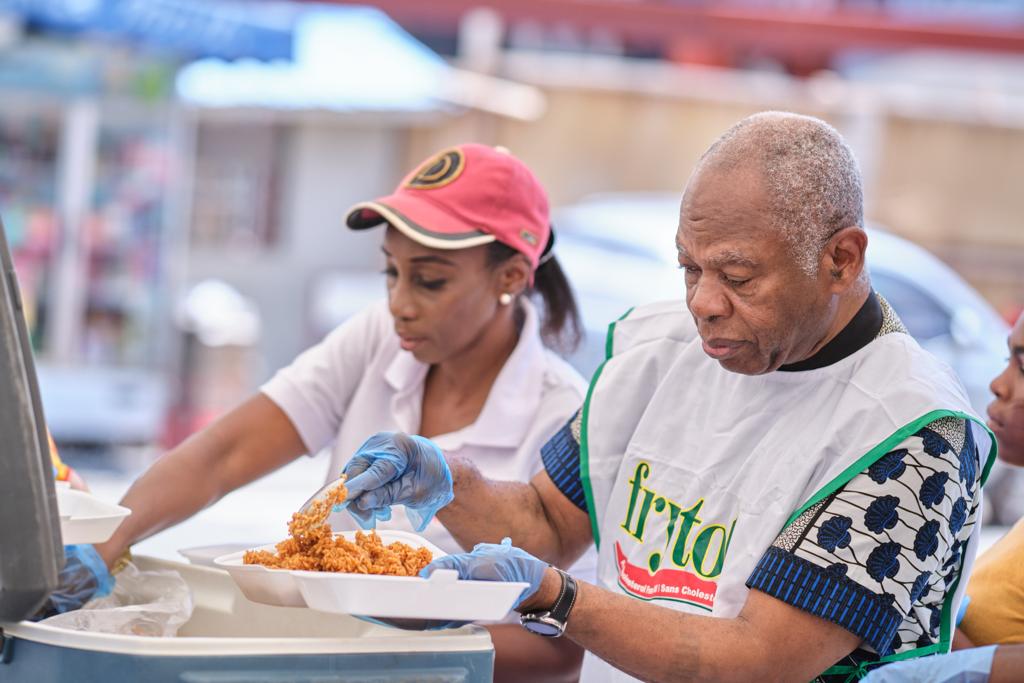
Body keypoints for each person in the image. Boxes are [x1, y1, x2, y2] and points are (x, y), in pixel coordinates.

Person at [334, 112, 997, 682]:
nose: (704, 303)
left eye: (738, 275)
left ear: (841, 260)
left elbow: (759, 660)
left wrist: (556, 597)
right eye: (689, 267)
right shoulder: (658, 348)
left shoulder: (913, 430)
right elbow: (545, 520)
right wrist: (448, 481)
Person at [51, 144, 591, 681]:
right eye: (391, 274)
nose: (400, 303)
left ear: (512, 277)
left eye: (429, 281)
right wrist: (107, 544)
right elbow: (224, 454)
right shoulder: (377, 340)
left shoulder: (563, 416)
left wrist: (385, 652)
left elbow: (561, 648)